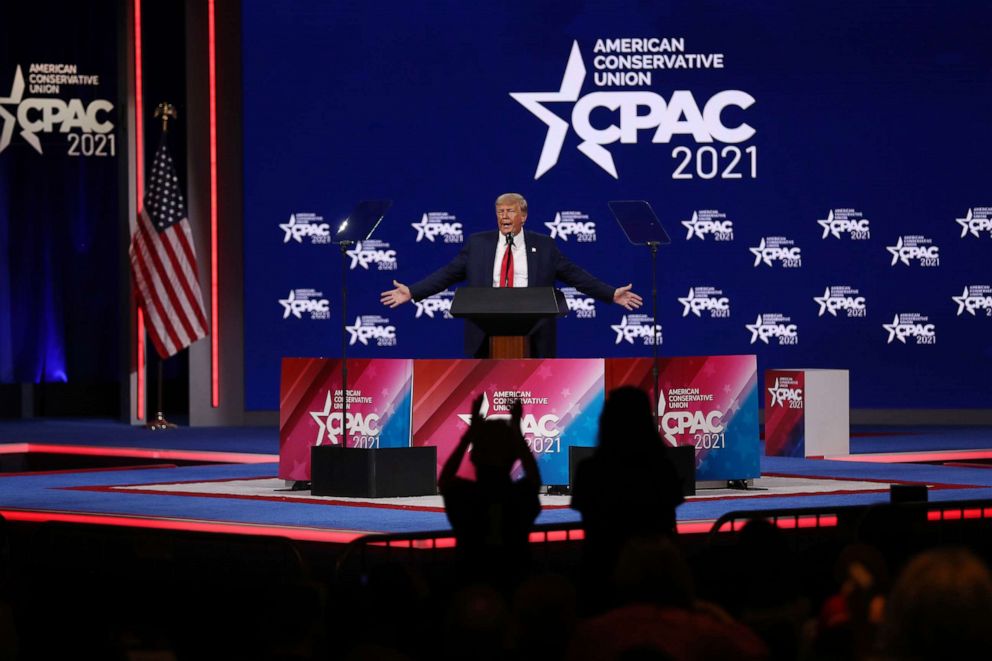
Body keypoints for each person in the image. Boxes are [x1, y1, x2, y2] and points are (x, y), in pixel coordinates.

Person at [380, 193, 642, 357]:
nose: (504, 216)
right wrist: (413, 291)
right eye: (500, 212)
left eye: (510, 211)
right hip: (484, 333)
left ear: (523, 216)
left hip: (534, 335)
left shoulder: (545, 245)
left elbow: (576, 276)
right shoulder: (478, 244)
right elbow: (447, 274)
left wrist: (610, 293)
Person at [570, 386, 685, 613]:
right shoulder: (662, 468)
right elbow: (670, 523)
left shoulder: (589, 471)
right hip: (658, 581)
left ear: (607, 421)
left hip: (601, 577)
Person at [438, 395, 542, 583]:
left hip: (470, 580)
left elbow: (445, 480)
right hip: (516, 579)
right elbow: (534, 480)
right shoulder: (518, 495)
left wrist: (470, 434)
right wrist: (517, 431)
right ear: (514, 456)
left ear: (474, 457)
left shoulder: (465, 495)